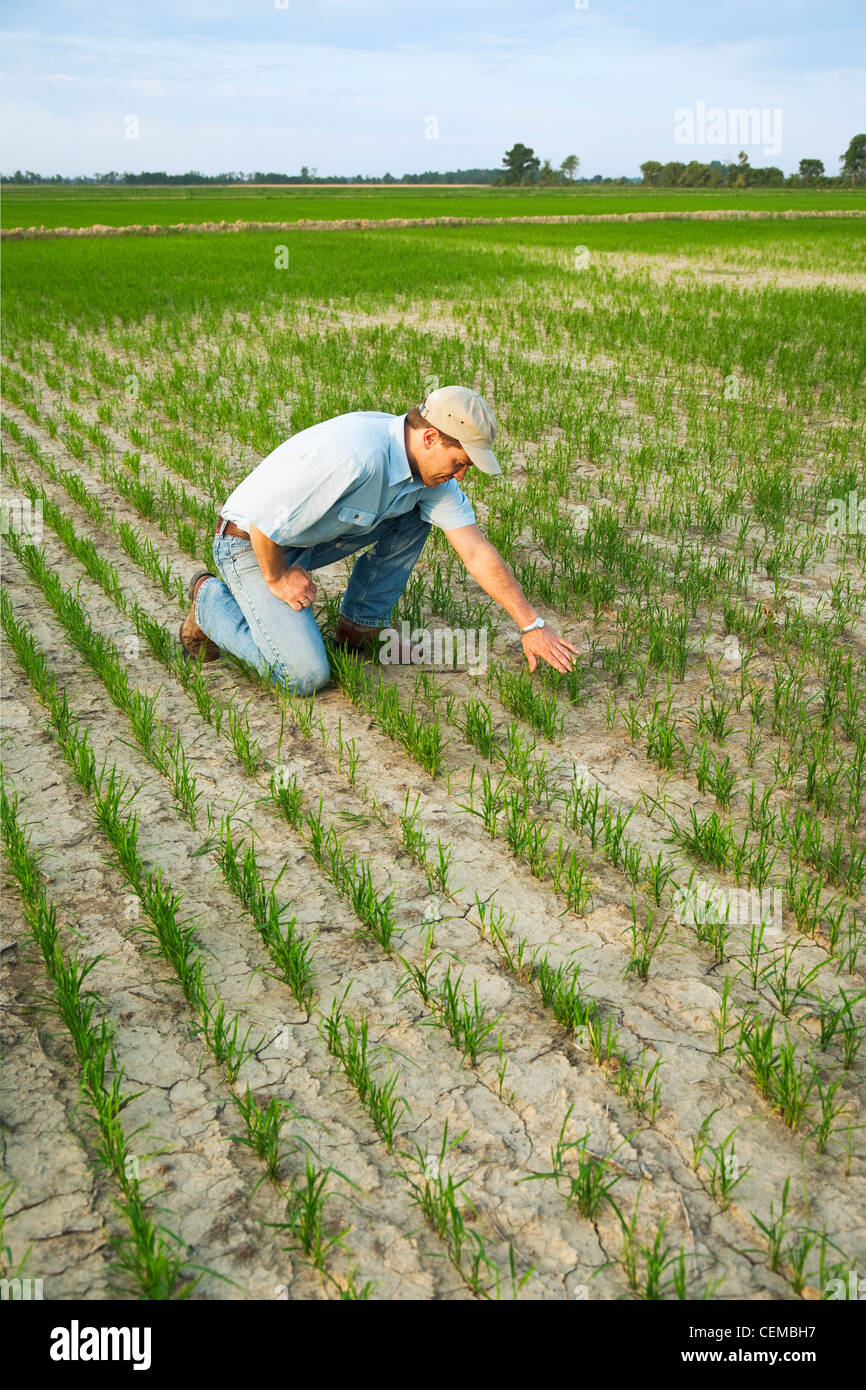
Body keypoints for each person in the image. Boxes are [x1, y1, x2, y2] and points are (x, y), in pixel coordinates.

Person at [180, 385, 579, 694]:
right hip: (251, 543)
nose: (461, 477)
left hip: (308, 537)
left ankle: (357, 627)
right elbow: (264, 521)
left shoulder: (429, 477)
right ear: (430, 439)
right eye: (460, 463)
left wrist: (532, 625)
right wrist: (278, 578)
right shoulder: (356, 457)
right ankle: (210, 602)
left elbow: (475, 550)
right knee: (303, 676)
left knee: (417, 514)